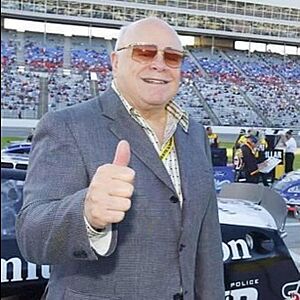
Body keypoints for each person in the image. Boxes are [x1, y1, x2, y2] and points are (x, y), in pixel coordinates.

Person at [16, 17, 224, 300]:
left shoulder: (194, 133)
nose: (159, 64)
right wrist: (85, 214)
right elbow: (31, 236)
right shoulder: (67, 125)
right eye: (145, 52)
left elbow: (207, 242)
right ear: (115, 62)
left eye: (173, 57)